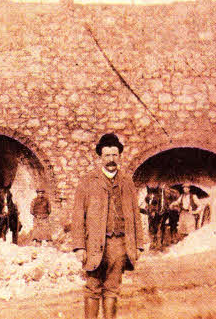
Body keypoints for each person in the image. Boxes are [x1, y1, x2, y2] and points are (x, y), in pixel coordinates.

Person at [72, 133, 144, 319]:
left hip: (119, 245)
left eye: (114, 155)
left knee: (113, 289)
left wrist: (138, 245)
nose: (111, 159)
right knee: (93, 288)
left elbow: (135, 214)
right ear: (100, 157)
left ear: (119, 156)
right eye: (107, 155)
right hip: (94, 244)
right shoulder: (87, 181)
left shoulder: (127, 182)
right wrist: (79, 246)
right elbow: (78, 215)